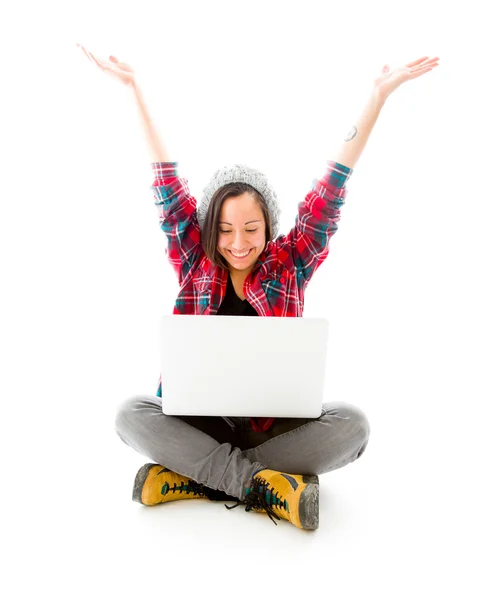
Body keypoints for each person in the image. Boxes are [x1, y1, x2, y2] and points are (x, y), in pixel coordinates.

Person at [77, 44, 439, 530]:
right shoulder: (194, 260)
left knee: (353, 427)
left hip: (271, 430)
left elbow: (330, 192)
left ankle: (190, 476)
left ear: (268, 227)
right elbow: (164, 181)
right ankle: (266, 489)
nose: (238, 243)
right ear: (209, 229)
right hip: (200, 422)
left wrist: (376, 98)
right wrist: (134, 89)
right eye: (225, 230)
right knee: (129, 414)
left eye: (251, 229)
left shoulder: (290, 264)